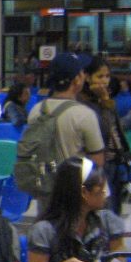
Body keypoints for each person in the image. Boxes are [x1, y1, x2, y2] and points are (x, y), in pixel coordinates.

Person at [27, 52, 104, 206]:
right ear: (76, 80)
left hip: (47, 193)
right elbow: (98, 161)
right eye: (82, 72)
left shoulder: (36, 110)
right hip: (76, 195)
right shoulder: (84, 114)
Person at [80, 55, 131, 213]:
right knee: (104, 209)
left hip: (115, 161)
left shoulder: (106, 100)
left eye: (107, 76)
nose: (104, 81)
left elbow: (117, 129)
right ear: (88, 77)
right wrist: (104, 100)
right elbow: (104, 128)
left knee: (115, 210)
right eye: (100, 76)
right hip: (100, 163)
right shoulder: (85, 103)